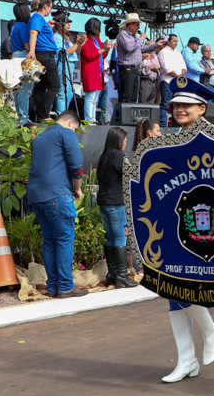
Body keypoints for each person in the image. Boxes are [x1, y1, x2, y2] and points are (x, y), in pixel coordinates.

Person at [159, 76, 214, 383]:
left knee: (185, 289)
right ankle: (186, 361)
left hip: (209, 227)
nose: (179, 110)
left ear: (202, 108)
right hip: (177, 223)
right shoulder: (171, 141)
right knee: (171, 291)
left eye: (186, 105)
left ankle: (211, 330)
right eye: (175, 105)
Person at [26, 110, 86, 298]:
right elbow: (77, 166)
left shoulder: (39, 138)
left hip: (36, 196)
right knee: (64, 239)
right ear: (70, 123)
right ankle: (66, 286)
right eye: (75, 128)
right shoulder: (66, 133)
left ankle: (53, 285)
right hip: (57, 194)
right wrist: (78, 189)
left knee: (50, 240)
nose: (74, 131)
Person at [95, 128, 135, 290]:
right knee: (120, 239)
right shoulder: (118, 156)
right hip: (116, 203)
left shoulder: (103, 156)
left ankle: (112, 274)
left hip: (104, 203)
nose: (126, 144)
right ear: (119, 141)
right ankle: (122, 276)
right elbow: (131, 175)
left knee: (111, 238)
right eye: (125, 141)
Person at [115, 13, 164, 104]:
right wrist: (141, 38)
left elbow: (142, 49)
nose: (138, 28)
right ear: (130, 25)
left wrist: (156, 45)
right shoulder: (122, 35)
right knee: (127, 96)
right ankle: (124, 117)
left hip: (135, 70)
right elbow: (129, 47)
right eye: (137, 25)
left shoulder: (135, 38)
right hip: (127, 69)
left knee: (133, 97)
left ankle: (131, 117)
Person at [26, 0, 60, 121]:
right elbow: (33, 33)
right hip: (44, 54)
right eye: (50, 7)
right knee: (55, 85)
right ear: (45, 6)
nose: (51, 10)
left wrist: (47, 26)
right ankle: (44, 114)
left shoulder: (39, 19)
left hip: (44, 53)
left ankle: (41, 115)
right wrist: (32, 51)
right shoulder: (37, 18)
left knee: (41, 86)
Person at [52, 13, 85, 115]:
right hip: (63, 64)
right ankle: (61, 114)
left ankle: (64, 114)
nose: (69, 25)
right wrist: (77, 44)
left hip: (70, 65)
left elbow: (74, 53)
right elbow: (65, 52)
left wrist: (79, 45)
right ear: (59, 25)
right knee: (63, 92)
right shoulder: (57, 36)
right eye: (67, 23)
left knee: (69, 94)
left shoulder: (66, 37)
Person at [80, 18, 111, 124]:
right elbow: (88, 56)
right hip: (90, 72)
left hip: (99, 72)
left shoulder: (97, 39)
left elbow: (101, 55)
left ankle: (92, 119)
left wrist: (106, 50)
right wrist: (102, 49)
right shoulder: (85, 40)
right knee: (90, 97)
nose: (100, 30)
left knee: (95, 98)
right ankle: (89, 120)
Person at [10, 3, 33, 123]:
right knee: (25, 89)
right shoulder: (23, 26)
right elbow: (27, 45)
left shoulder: (14, 26)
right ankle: (23, 116)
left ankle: (18, 116)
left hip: (15, 56)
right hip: (23, 56)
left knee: (18, 89)